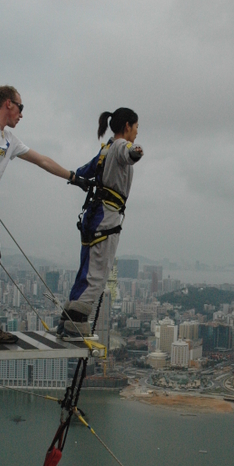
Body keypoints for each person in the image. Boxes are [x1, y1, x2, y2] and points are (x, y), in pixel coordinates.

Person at [0, 85, 74, 343]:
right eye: (21, 107)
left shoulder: (10, 140)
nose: (21, 114)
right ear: (8, 103)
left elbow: (42, 160)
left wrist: (74, 177)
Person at [58, 107, 143, 340]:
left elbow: (86, 171)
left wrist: (74, 177)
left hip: (93, 214)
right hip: (106, 215)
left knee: (86, 269)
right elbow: (129, 152)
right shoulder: (119, 146)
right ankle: (76, 322)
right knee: (98, 272)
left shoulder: (105, 149)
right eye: (136, 128)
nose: (136, 132)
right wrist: (136, 151)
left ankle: (68, 316)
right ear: (127, 126)